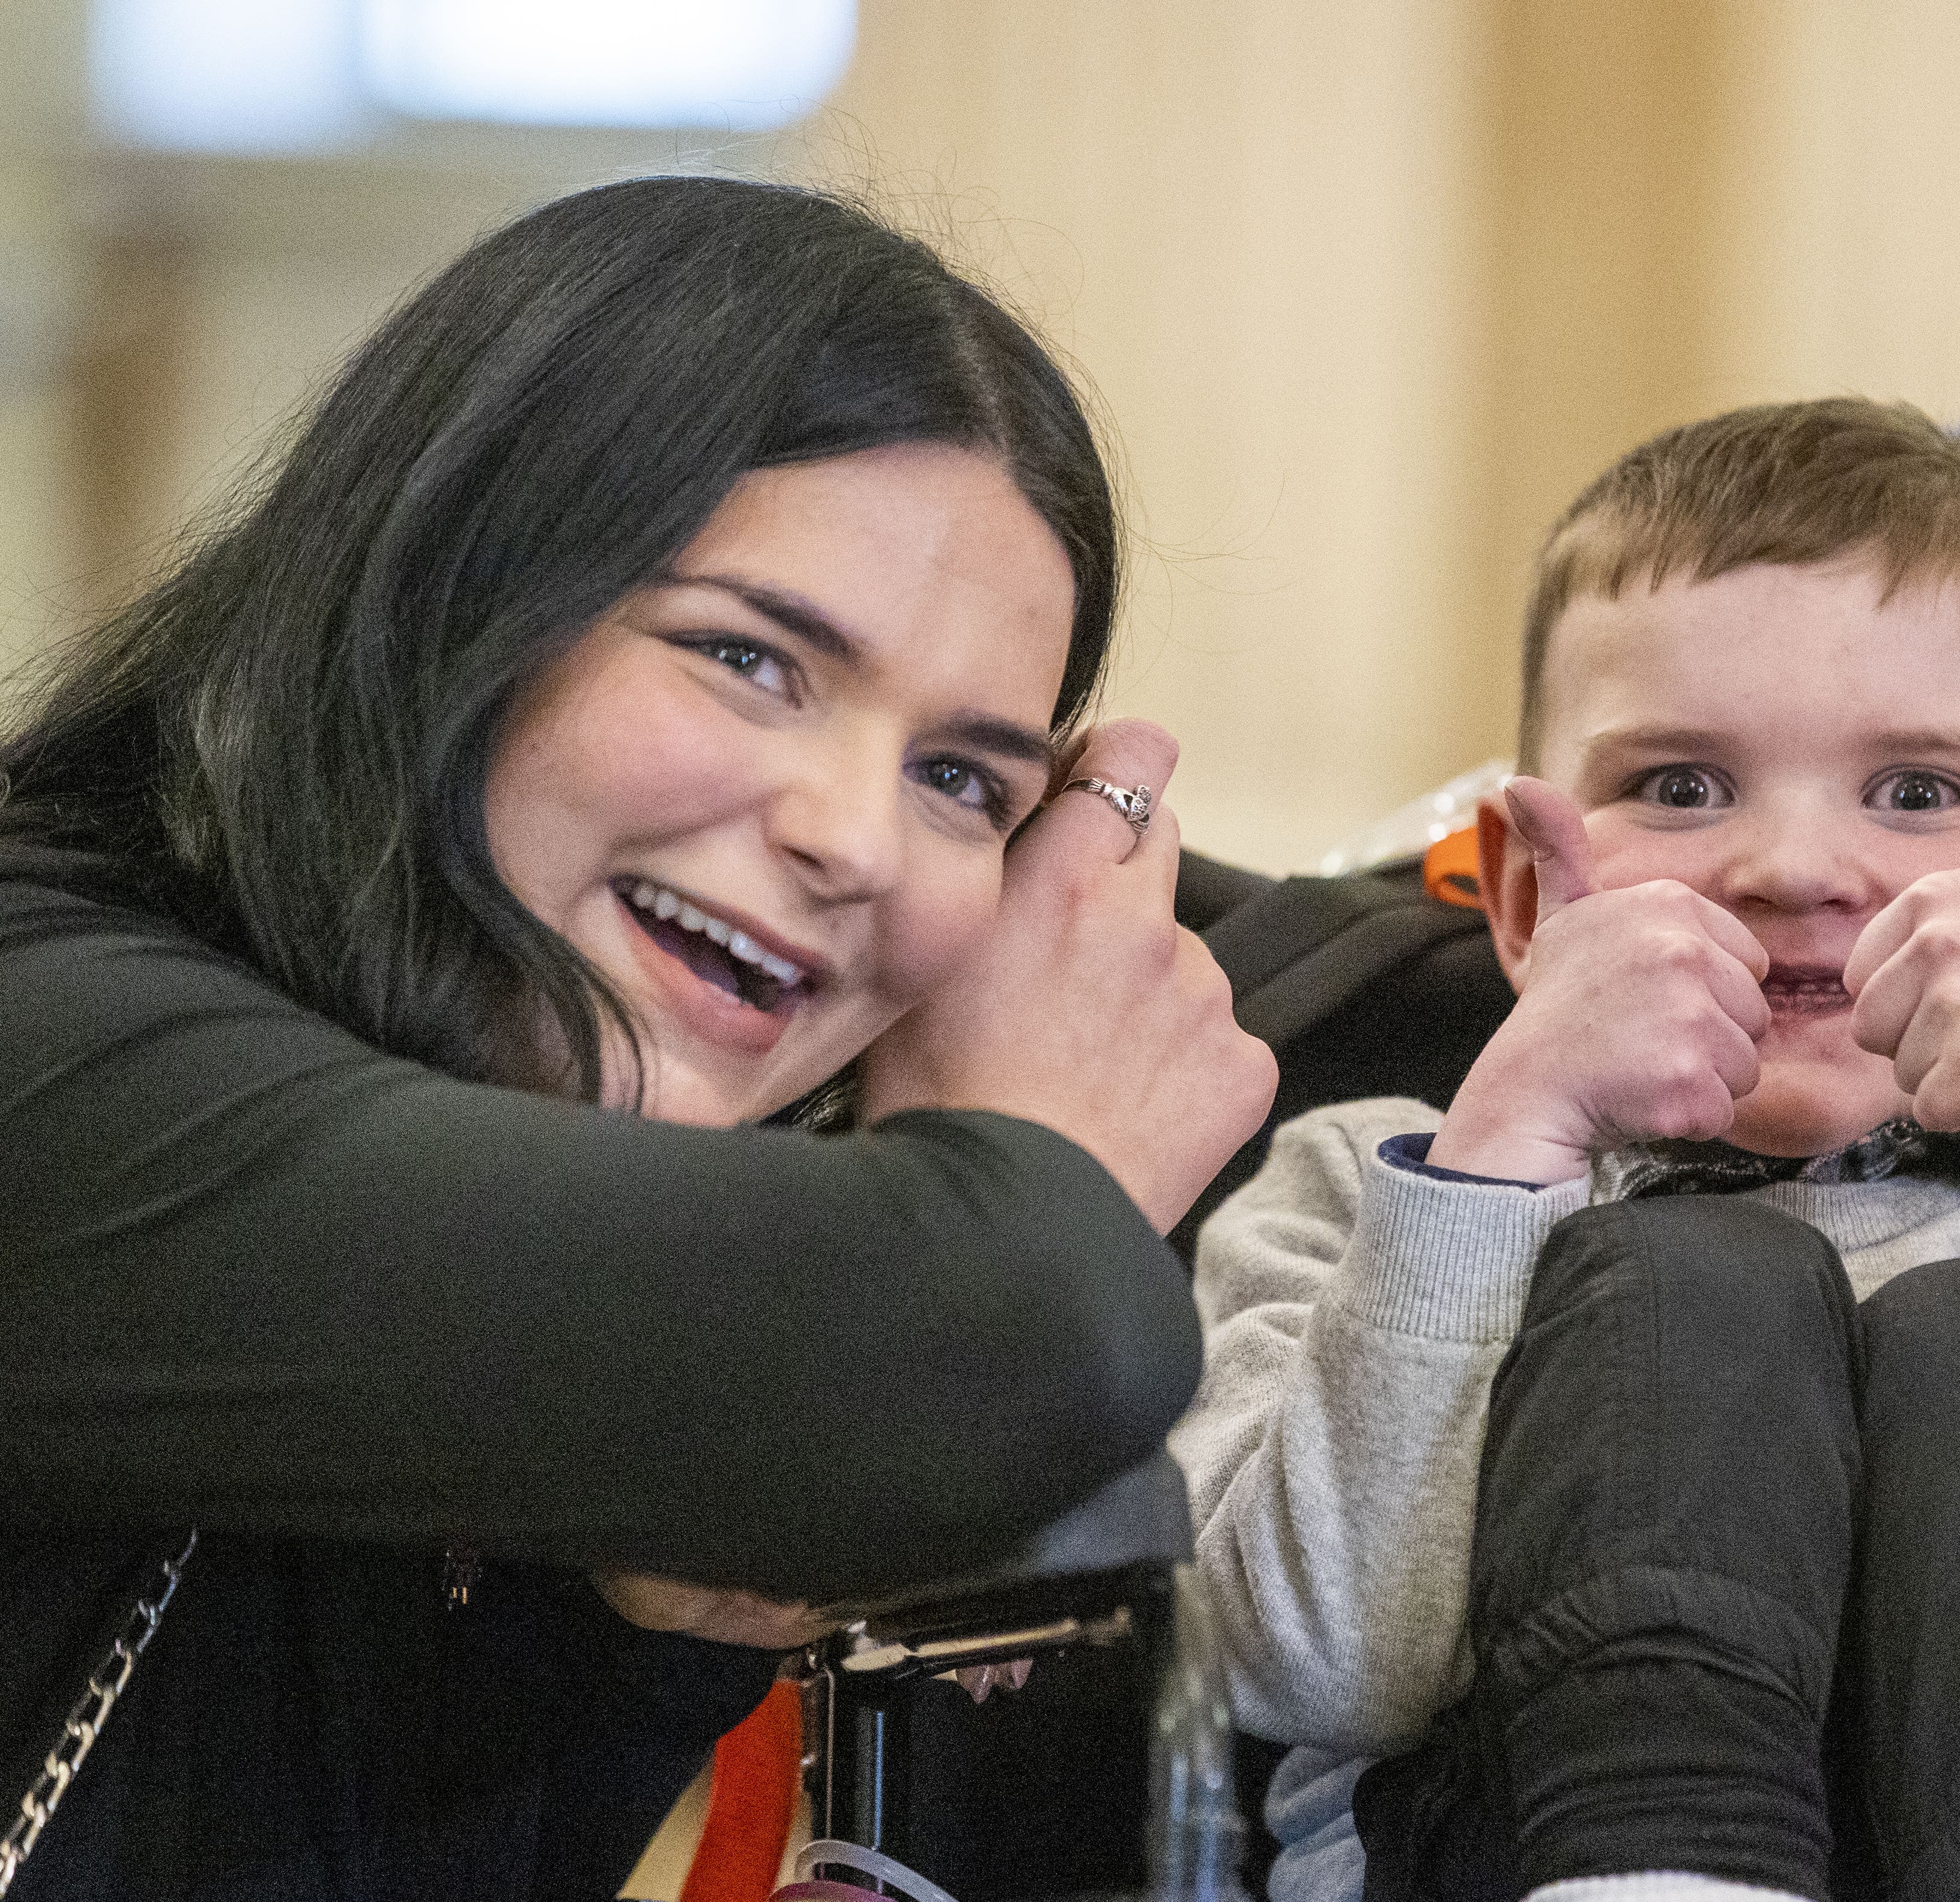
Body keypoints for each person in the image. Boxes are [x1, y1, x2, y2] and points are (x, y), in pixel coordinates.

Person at [0, 176, 1275, 1901]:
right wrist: (1042, 1162)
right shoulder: (49, 1031)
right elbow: (987, 1348)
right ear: (445, 595)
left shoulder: (530, 1274)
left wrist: (649, 1628)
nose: (856, 837)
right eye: (751, 661)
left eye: (960, 778)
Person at [1173, 399, 1960, 1902]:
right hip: (1514, 1849)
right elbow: (1308, 1668)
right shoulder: (1370, 1184)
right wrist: (1501, 1146)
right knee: (1681, 1290)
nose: (1793, 870)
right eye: (1679, 786)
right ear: (1522, 902)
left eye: (1917, 793)